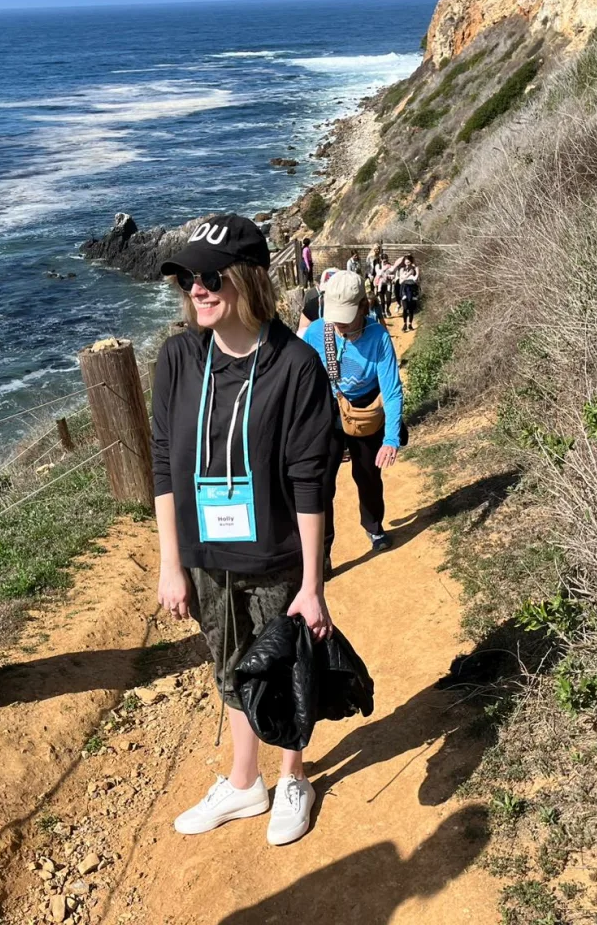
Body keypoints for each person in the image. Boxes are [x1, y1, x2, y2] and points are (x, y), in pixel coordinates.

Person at [154, 214, 335, 846]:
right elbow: (163, 465)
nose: (195, 291)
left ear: (246, 279)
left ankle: (292, 776)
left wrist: (312, 583)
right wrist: (170, 563)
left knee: (281, 670)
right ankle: (243, 781)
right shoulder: (177, 358)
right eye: (185, 280)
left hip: (276, 555)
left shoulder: (295, 366)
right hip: (206, 553)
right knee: (227, 665)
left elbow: (312, 481)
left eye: (208, 278)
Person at [300, 270, 404, 555]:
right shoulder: (315, 333)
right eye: (335, 316)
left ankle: (374, 527)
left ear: (363, 306)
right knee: (320, 484)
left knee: (368, 474)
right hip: (326, 411)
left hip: (365, 410)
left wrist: (391, 438)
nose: (340, 324)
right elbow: (300, 381)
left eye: (347, 316)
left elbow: (392, 389)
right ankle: (322, 550)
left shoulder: (378, 336)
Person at [396, 255, 420, 332]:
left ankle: (410, 324)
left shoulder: (415, 269)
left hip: (413, 290)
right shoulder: (402, 269)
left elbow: (416, 279)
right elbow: (400, 281)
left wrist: (413, 272)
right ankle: (404, 324)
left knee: (411, 309)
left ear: (411, 261)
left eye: (408, 260)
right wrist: (408, 275)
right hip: (404, 290)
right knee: (405, 308)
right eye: (405, 260)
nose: (407, 262)